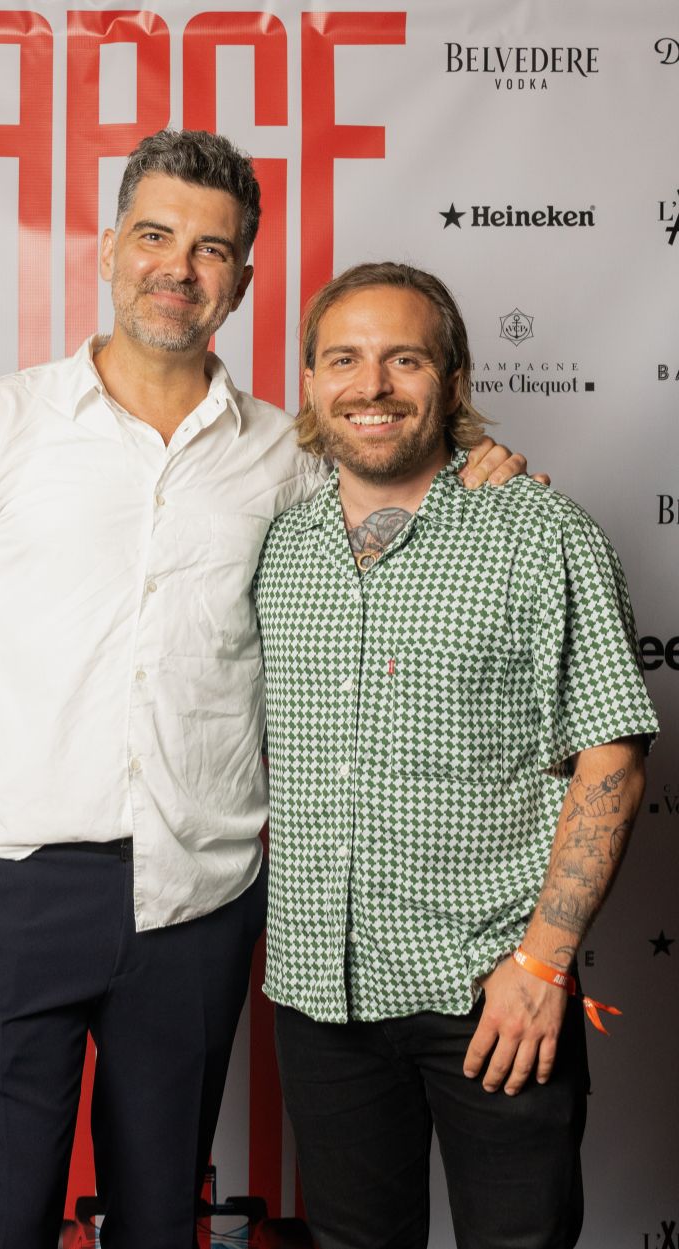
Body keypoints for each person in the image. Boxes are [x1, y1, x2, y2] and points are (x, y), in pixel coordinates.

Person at [0, 136, 530, 1248]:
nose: (180, 266)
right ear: (108, 249)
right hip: (13, 893)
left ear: (243, 280)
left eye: (213, 249)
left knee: (162, 1216)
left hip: (199, 902)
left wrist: (482, 468)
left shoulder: (287, 456)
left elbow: (402, 490)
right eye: (156, 237)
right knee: (3, 1211)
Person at [254, 261, 659, 1249]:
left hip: (494, 990)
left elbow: (611, 759)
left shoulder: (538, 531)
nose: (372, 385)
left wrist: (544, 961)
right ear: (309, 382)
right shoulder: (275, 546)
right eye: (343, 359)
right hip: (321, 991)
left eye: (404, 358)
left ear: (452, 378)